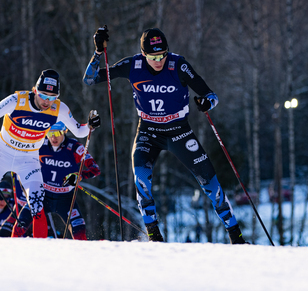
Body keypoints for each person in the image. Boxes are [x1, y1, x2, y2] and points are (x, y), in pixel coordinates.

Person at [83, 26, 247, 244]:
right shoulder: (133, 65)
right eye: (153, 57)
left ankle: (235, 234)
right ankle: (154, 236)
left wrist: (207, 102)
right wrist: (97, 53)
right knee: (141, 177)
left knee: (210, 181)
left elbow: (210, 94)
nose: (159, 61)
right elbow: (90, 79)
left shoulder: (177, 64)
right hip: (149, 131)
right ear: (144, 55)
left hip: (179, 131)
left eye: (162, 55)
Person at [0, 69, 100, 238]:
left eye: (52, 97)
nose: (47, 101)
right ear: (35, 91)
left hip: (28, 159)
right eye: (43, 95)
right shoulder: (16, 101)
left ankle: (42, 252)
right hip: (3, 154)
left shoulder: (59, 109)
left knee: (37, 205)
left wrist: (90, 126)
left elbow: (79, 131)